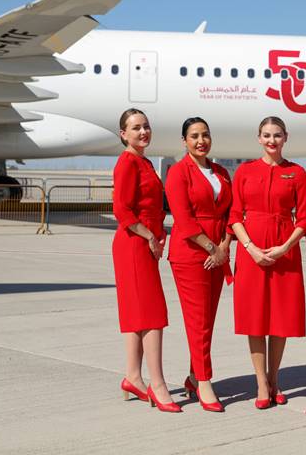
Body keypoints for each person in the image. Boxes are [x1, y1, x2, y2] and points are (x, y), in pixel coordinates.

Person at [229, 116, 306, 409]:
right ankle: (261, 383)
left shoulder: (297, 173)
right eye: (266, 135)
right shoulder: (245, 171)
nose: (272, 140)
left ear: (285, 137)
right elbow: (235, 215)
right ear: (259, 138)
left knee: (280, 317)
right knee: (255, 317)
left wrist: (285, 247)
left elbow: (304, 218)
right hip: (251, 249)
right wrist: (250, 248)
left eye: (277, 135)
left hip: (284, 249)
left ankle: (274, 378)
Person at [111, 108, 180, 413]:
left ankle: (134, 377)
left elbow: (152, 206)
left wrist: (158, 233)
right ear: (123, 134)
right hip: (133, 243)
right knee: (152, 314)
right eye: (136, 128)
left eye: (146, 126)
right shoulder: (127, 162)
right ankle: (158, 383)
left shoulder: (145, 161)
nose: (143, 132)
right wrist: (149, 235)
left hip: (144, 241)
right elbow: (122, 210)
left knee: (138, 312)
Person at [164, 117, 233, 413]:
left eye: (205, 135)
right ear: (184, 141)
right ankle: (204, 380)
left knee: (207, 320)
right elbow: (184, 218)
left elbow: (232, 212)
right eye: (194, 136)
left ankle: (194, 376)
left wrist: (225, 247)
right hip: (192, 254)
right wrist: (212, 247)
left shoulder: (221, 172)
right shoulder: (179, 173)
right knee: (198, 321)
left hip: (217, 252)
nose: (201, 140)